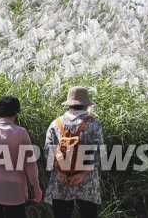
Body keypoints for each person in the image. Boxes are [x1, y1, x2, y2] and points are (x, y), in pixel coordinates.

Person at [0, 95, 43, 217]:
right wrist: (36, 187)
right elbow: (30, 164)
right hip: (15, 192)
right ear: (16, 112)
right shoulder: (21, 133)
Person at [44, 86, 104, 218]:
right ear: (86, 105)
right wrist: (83, 174)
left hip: (61, 180)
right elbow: (98, 153)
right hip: (87, 182)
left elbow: (49, 152)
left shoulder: (55, 123)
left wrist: (60, 172)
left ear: (69, 104)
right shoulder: (94, 123)